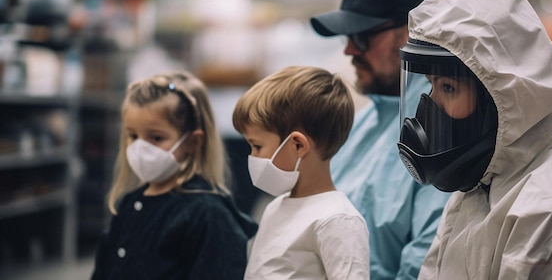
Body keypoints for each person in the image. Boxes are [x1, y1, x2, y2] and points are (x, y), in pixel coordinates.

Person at [397, 0, 552, 279]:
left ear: (498, 97)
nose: (430, 105)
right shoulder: (483, 182)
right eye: (431, 85)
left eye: (448, 88)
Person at [309, 0, 451, 279]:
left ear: (415, 31)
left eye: (361, 35)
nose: (348, 50)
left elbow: (426, 265)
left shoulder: (442, 136)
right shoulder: (364, 123)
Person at [91, 70, 258, 280]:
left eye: (156, 137)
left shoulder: (207, 213)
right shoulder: (128, 205)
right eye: (132, 135)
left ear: (192, 142)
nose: (140, 147)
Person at [232, 65, 370, 279]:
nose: (252, 157)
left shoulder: (337, 220)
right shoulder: (275, 207)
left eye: (257, 146)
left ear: (298, 145)